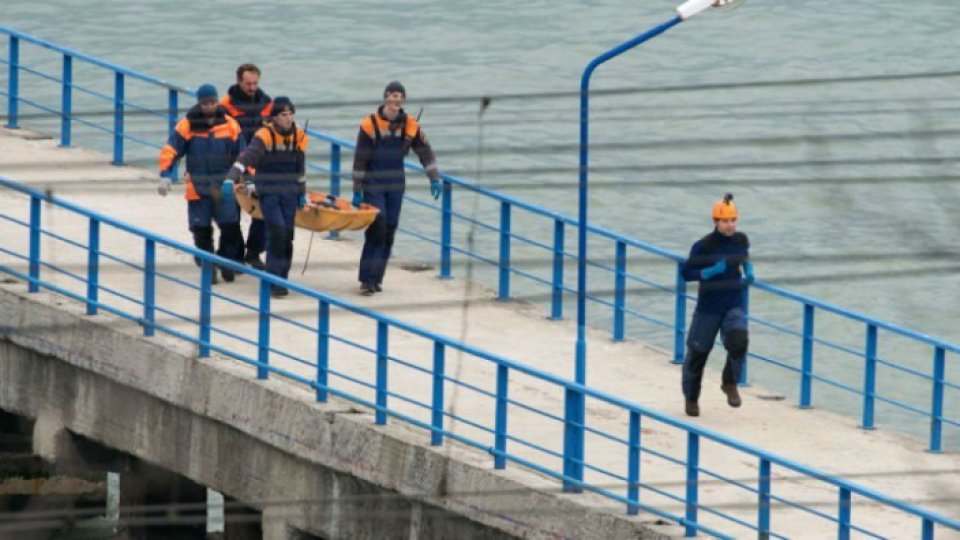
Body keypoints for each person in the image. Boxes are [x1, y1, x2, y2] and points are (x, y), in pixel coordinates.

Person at [351, 81, 441, 295]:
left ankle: (377, 279)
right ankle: (366, 279)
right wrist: (357, 189)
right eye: (392, 96)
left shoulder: (410, 125)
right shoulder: (369, 125)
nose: (395, 101)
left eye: (400, 97)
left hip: (396, 183)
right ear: (385, 98)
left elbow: (425, 153)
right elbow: (360, 159)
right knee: (378, 227)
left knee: (390, 229)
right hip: (373, 182)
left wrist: (434, 178)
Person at [158, 84, 245, 284]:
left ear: (217, 101)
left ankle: (225, 262)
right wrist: (166, 175)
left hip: (225, 185)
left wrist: (247, 179)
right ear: (199, 103)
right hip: (197, 186)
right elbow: (171, 150)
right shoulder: (186, 125)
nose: (209, 106)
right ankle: (208, 267)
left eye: (213, 102)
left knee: (230, 227)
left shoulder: (231, 125)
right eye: (205, 103)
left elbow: (243, 155)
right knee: (201, 231)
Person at [679, 193, 756, 417]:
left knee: (739, 341)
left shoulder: (741, 240)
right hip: (709, 307)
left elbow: (744, 257)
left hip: (733, 303)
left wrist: (749, 271)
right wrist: (709, 272)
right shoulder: (704, 246)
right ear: (716, 221)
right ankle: (691, 397)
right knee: (698, 352)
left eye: (733, 220)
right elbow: (686, 273)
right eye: (725, 221)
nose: (730, 225)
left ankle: (729, 383)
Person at [224, 97, 307, 298]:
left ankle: (282, 279)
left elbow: (300, 169)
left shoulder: (299, 136)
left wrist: (302, 194)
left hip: (289, 192)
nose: (288, 118)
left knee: (287, 236)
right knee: (277, 231)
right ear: (274, 117)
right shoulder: (264, 136)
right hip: (269, 191)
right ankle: (273, 282)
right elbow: (246, 157)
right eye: (283, 115)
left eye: (290, 114)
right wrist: (231, 179)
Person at [221, 63, 274, 271]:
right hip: (233, 165)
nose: (252, 87)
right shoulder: (226, 107)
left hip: (260, 165)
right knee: (230, 215)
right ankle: (234, 255)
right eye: (248, 83)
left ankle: (253, 253)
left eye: (255, 83)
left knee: (261, 213)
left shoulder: (266, 103)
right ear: (238, 81)